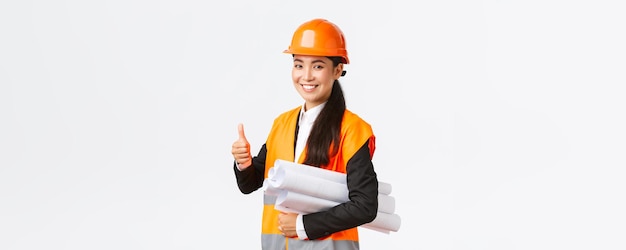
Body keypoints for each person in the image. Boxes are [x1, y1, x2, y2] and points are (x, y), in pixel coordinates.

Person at [231, 18, 379, 250]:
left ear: (337, 70)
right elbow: (251, 183)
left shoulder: (352, 129)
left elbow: (365, 205)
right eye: (299, 65)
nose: (306, 76)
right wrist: (243, 164)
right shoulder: (282, 123)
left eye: (318, 66)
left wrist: (303, 225)